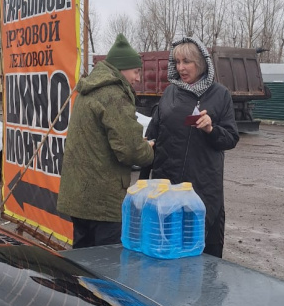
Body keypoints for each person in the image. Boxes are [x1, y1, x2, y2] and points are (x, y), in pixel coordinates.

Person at [57, 33, 154, 249]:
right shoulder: (113, 94)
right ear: (122, 69)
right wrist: (148, 150)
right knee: (106, 263)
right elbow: (131, 150)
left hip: (78, 198)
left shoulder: (89, 90)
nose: (138, 78)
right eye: (136, 71)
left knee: (82, 259)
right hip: (103, 203)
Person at [145, 36, 238, 258]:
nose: (181, 68)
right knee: (166, 248)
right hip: (167, 185)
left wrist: (211, 129)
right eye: (177, 62)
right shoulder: (169, 93)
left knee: (200, 250)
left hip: (203, 187)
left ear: (201, 63)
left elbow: (231, 138)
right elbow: (153, 132)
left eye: (187, 62)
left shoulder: (220, 95)